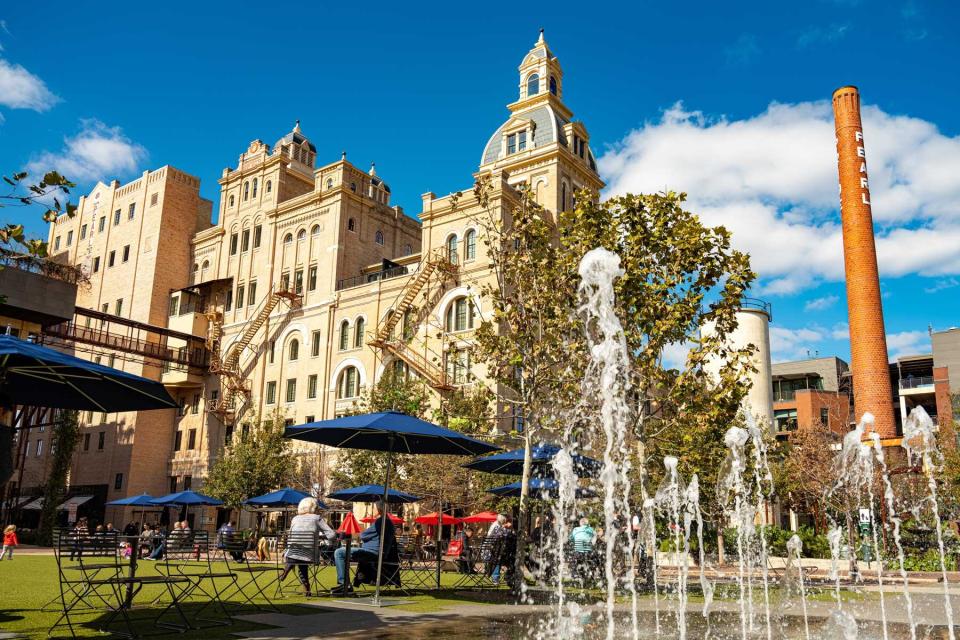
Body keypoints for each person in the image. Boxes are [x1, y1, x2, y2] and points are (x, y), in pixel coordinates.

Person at [333, 501, 397, 594]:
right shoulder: (389, 523)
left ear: (379, 509)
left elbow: (363, 535)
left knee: (339, 552)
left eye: (374, 507)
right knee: (343, 552)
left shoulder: (380, 522)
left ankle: (344, 583)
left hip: (372, 553)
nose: (372, 510)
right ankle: (346, 583)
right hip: (380, 553)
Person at [279, 497, 336, 597]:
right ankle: (307, 589)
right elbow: (331, 535)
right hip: (309, 555)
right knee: (302, 564)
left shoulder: (295, 519)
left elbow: (290, 536)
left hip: (291, 553)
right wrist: (319, 536)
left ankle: (287, 567)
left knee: (296, 555)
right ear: (313, 507)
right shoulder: (317, 518)